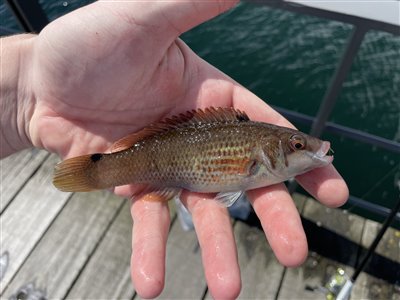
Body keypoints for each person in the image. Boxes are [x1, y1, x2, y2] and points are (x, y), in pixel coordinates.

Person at [0, 1, 348, 298]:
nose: (304, 149)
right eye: (297, 145)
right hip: (157, 155)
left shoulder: (261, 153)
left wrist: (27, 86)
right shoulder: (256, 158)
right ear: (268, 152)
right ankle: (98, 170)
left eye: (299, 144)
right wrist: (28, 86)